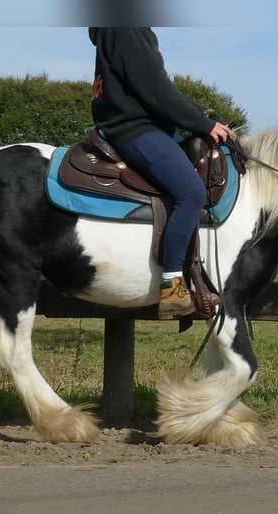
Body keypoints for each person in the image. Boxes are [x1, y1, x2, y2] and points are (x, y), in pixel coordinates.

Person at [88, 27, 235, 320]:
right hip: (135, 129)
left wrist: (201, 117)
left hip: (142, 126)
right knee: (191, 192)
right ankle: (171, 285)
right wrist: (202, 124)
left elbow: (159, 88)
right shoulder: (127, 28)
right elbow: (155, 89)